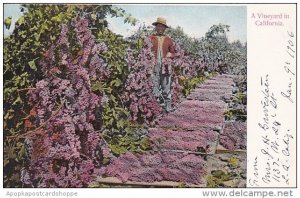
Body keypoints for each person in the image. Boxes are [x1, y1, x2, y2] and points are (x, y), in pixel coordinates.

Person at [148, 17, 176, 113]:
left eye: (162, 26)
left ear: (164, 28)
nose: (160, 28)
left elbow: (174, 53)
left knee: (166, 88)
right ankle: (156, 109)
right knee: (154, 88)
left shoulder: (169, 40)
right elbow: (145, 51)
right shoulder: (151, 38)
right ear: (156, 27)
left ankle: (167, 108)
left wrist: (170, 55)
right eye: (158, 26)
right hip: (154, 67)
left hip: (165, 67)